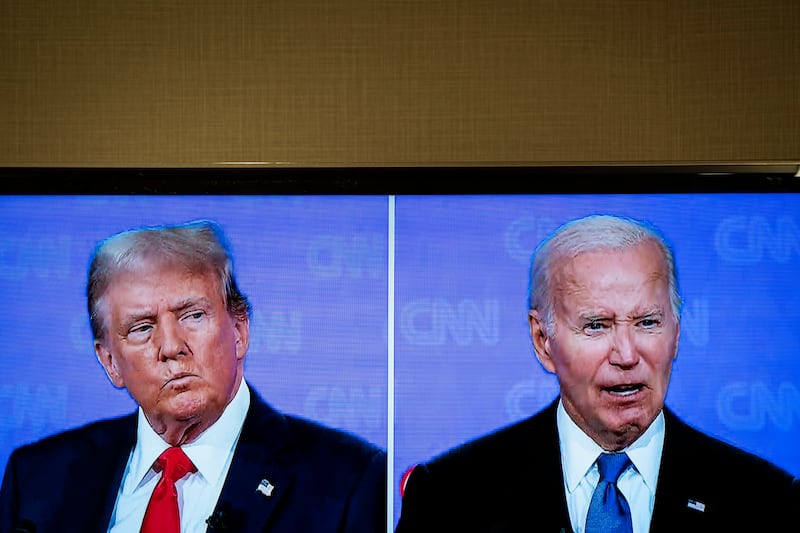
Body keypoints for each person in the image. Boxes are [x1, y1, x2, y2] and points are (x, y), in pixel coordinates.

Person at [395, 214, 798, 532]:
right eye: (596, 326)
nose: (626, 354)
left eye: (647, 323)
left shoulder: (767, 503)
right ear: (542, 340)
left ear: (676, 333)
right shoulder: (450, 497)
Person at [0, 219, 387, 533]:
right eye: (141, 327)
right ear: (110, 362)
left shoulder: (346, 482)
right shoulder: (37, 481)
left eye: (192, 315)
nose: (170, 346)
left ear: (239, 331)